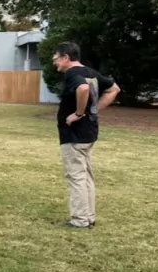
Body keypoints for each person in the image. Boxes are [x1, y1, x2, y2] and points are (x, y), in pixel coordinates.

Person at [51, 42, 121, 229]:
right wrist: (94, 110)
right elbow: (114, 88)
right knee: (86, 175)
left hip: (74, 134)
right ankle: (88, 217)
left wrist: (80, 113)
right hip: (88, 132)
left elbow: (82, 89)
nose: (55, 62)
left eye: (56, 58)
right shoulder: (91, 73)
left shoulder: (73, 74)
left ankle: (80, 220)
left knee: (76, 176)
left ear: (66, 57)